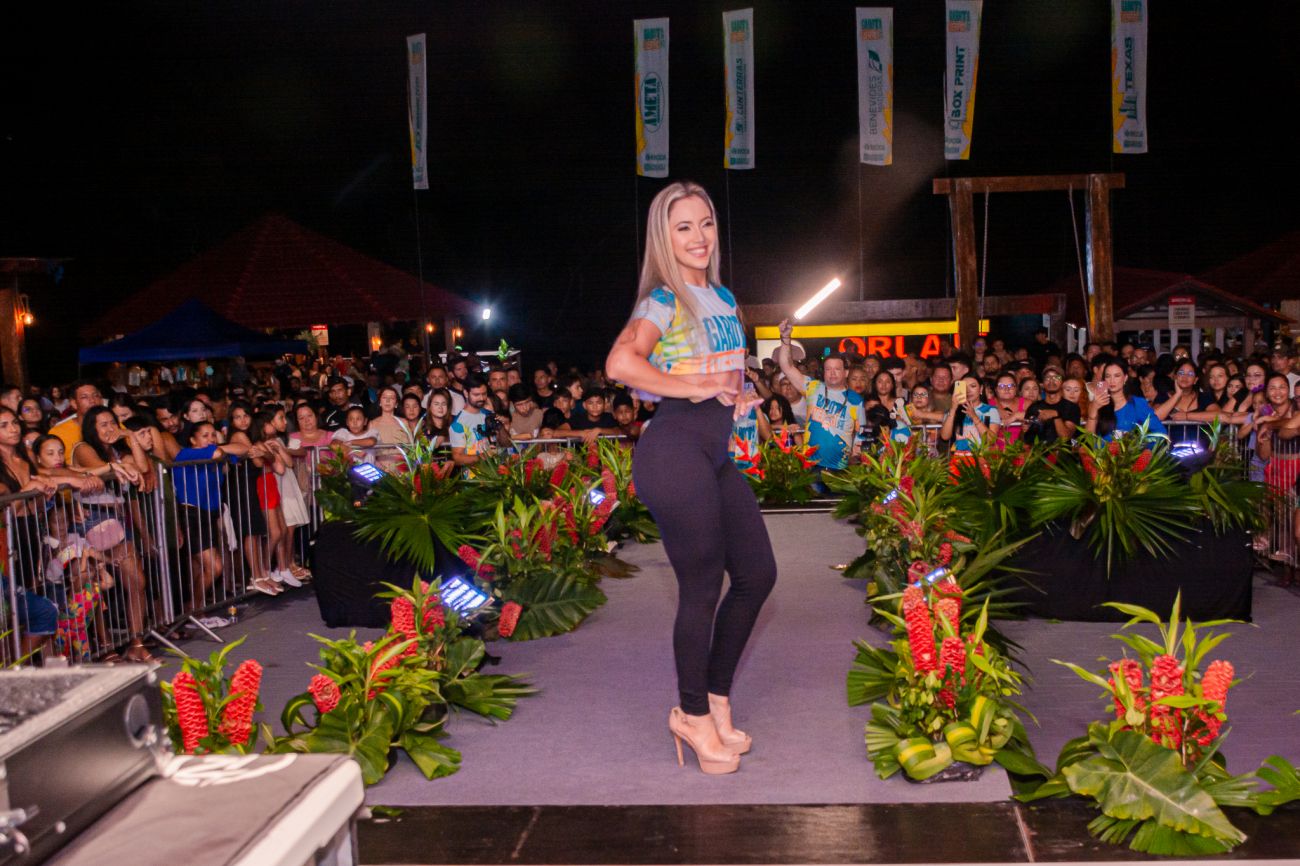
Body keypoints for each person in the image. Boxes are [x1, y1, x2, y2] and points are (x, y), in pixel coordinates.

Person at [604, 180, 774, 775]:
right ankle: (692, 714)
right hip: (673, 452)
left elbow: (719, 374)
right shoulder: (663, 299)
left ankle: (717, 697)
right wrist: (694, 386)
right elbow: (621, 363)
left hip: (713, 453)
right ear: (665, 237)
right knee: (702, 587)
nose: (698, 236)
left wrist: (734, 393)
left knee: (757, 574)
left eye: (705, 223)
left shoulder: (723, 297)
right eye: (683, 227)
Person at [774, 338, 864, 474]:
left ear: (846, 372)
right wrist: (785, 340)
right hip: (810, 466)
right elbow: (786, 367)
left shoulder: (856, 400)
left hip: (841, 469)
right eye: (828, 369)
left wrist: (855, 458)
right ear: (823, 372)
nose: (832, 373)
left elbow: (861, 434)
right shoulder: (813, 387)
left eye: (837, 369)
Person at [1084, 360, 1166, 440]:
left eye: (1117, 376)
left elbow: (1160, 433)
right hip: (1102, 449)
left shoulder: (1137, 403)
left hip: (1129, 449)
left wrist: (1138, 444)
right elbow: (1088, 440)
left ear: (1125, 378)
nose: (1112, 380)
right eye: (1108, 376)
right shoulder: (1097, 403)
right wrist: (1093, 411)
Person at [940, 376, 1001, 453]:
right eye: (964, 387)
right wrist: (953, 409)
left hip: (983, 457)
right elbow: (945, 436)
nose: (968, 390)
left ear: (981, 389)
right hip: (959, 457)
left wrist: (974, 416)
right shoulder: (953, 410)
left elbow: (991, 440)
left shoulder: (990, 410)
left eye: (973, 386)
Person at [1024, 366, 1080, 444]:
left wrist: (1055, 415)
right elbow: (1025, 440)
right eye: (1047, 378)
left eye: (1056, 377)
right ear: (1043, 383)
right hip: (1039, 451)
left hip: (1062, 451)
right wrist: (1024, 430)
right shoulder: (1034, 407)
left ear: (1062, 382)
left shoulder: (1072, 407)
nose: (1051, 381)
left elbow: (1065, 438)